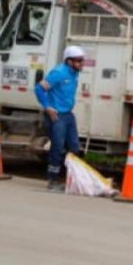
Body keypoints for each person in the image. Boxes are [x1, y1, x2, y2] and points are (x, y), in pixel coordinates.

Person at [35, 45, 85, 192]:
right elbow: (39, 89)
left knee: (74, 147)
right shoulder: (59, 73)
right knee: (57, 147)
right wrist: (47, 107)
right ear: (69, 61)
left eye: (82, 61)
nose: (82, 64)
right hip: (57, 115)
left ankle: (73, 179)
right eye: (79, 61)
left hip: (68, 115)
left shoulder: (74, 72)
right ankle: (53, 180)